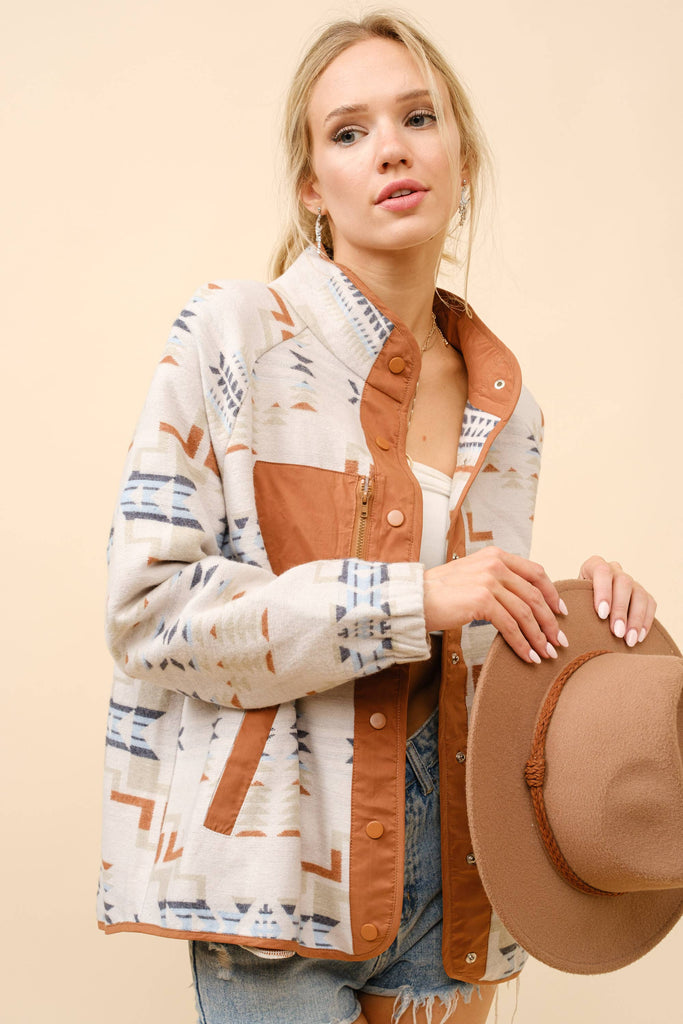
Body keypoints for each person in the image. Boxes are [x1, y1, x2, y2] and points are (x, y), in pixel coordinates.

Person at [98, 11, 657, 1024]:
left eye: (416, 117)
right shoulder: (232, 338)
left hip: (465, 872)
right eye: (347, 132)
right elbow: (149, 615)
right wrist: (413, 595)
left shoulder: (508, 405)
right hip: (280, 879)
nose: (389, 147)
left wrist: (591, 631)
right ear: (313, 187)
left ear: (462, 158)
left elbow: (476, 649)